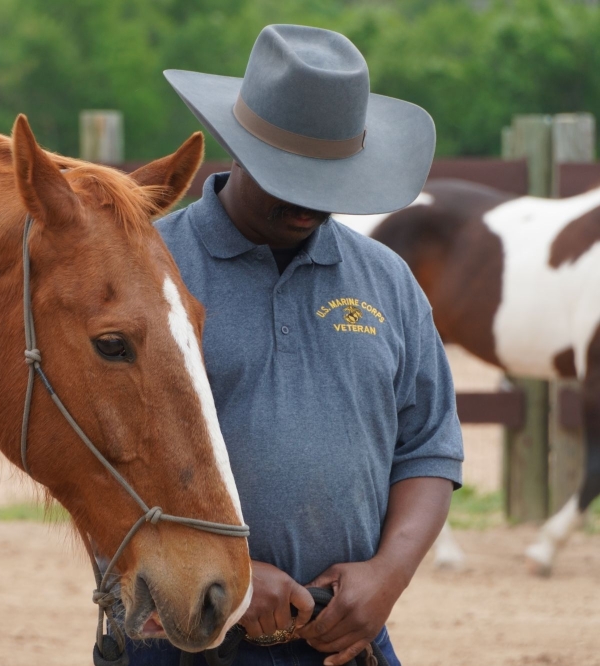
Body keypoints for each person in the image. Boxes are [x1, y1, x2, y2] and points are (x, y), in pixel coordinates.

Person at [127, 24, 464, 666]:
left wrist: (387, 577)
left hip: (345, 638)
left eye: (331, 181)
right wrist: (234, 578)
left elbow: (428, 445)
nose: (313, 203)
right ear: (240, 150)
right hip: (184, 639)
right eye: (292, 177)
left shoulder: (386, 278)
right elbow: (95, 460)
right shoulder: (147, 270)